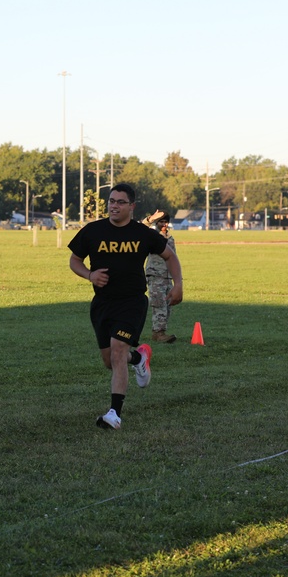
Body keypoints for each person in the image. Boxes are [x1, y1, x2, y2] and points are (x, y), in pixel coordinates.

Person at [68, 183, 183, 429]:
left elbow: (170, 256)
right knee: (110, 360)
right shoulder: (93, 231)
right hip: (102, 304)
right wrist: (90, 275)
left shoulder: (143, 233)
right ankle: (138, 357)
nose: (114, 206)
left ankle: (114, 414)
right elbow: (74, 260)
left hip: (132, 302)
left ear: (131, 206)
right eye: (111, 201)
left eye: (120, 202)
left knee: (118, 349)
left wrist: (178, 284)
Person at [144, 209, 178, 343]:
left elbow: (173, 258)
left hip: (168, 276)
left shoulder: (170, 238)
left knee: (168, 306)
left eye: (166, 222)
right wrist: (150, 219)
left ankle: (162, 331)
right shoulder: (151, 235)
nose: (164, 224)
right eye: (161, 222)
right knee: (159, 304)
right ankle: (158, 333)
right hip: (155, 275)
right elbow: (139, 228)